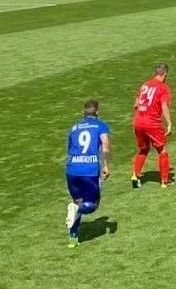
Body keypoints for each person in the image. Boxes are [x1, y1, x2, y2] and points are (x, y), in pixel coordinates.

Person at [64, 99, 112, 248]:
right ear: (97, 112)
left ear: (84, 113)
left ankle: (73, 238)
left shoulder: (74, 128)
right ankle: (77, 209)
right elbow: (105, 145)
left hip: (71, 169)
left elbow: (70, 149)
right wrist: (106, 165)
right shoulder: (100, 125)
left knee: (77, 201)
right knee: (92, 205)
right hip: (89, 170)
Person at [131, 62, 174, 188]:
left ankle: (135, 174)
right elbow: (164, 106)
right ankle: (164, 182)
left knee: (143, 149)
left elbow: (135, 105)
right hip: (152, 123)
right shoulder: (163, 87)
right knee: (162, 150)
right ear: (165, 74)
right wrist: (169, 123)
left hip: (138, 121)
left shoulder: (145, 85)